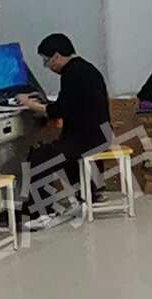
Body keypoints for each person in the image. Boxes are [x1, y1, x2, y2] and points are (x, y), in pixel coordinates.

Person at [27, 30, 113, 213]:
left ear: (57, 57)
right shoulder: (85, 68)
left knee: (39, 157)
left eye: (46, 61)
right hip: (100, 134)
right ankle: (91, 192)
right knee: (62, 150)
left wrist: (32, 106)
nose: (47, 66)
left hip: (87, 138)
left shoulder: (72, 74)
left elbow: (61, 110)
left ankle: (40, 213)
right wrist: (44, 102)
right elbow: (72, 104)